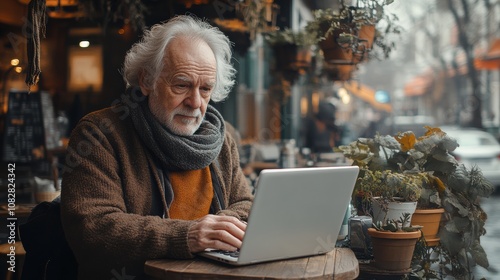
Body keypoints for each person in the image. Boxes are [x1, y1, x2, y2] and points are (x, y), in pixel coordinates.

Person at [60, 15, 253, 279]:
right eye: (182, 85)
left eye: (206, 89)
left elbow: (245, 203)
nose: (195, 102)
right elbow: (93, 228)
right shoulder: (99, 134)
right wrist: (188, 235)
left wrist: (218, 230)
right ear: (146, 81)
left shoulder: (220, 138)